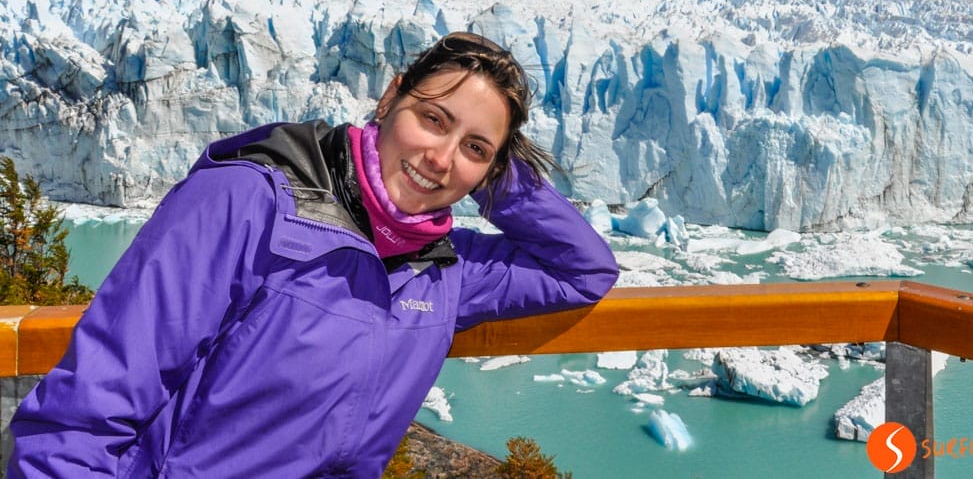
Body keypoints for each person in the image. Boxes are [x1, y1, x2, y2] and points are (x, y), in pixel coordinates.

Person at [8, 31, 619, 478]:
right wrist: (471, 151)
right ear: (389, 99)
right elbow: (86, 413)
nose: (440, 158)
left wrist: (492, 174)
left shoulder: (442, 269)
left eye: (475, 147)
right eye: (433, 119)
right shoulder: (246, 200)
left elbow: (582, 269)